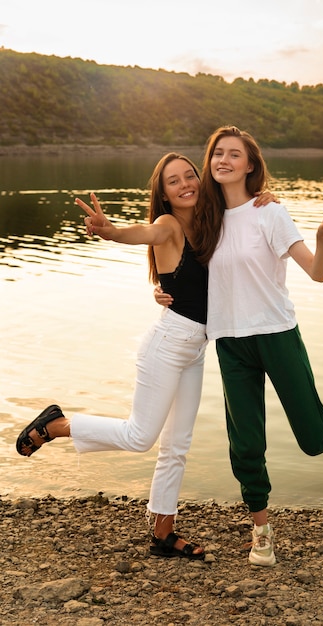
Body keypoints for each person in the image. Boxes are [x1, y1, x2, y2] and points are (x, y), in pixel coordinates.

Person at [16, 151, 275, 560]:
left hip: (195, 349)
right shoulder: (168, 225)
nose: (185, 184)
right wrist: (111, 231)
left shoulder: (212, 223)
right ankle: (57, 424)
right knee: (140, 437)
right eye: (174, 181)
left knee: (178, 445)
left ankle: (163, 533)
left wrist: (264, 197)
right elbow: (143, 233)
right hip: (168, 344)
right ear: (164, 193)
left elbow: (239, 226)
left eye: (190, 175)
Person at [156, 126, 323, 567]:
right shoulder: (204, 219)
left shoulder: (270, 212)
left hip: (276, 334)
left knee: (312, 439)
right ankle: (261, 532)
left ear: (250, 165)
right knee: (246, 445)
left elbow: (317, 273)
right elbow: (179, 264)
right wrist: (161, 291)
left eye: (234, 154)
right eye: (217, 153)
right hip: (230, 342)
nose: (223, 160)